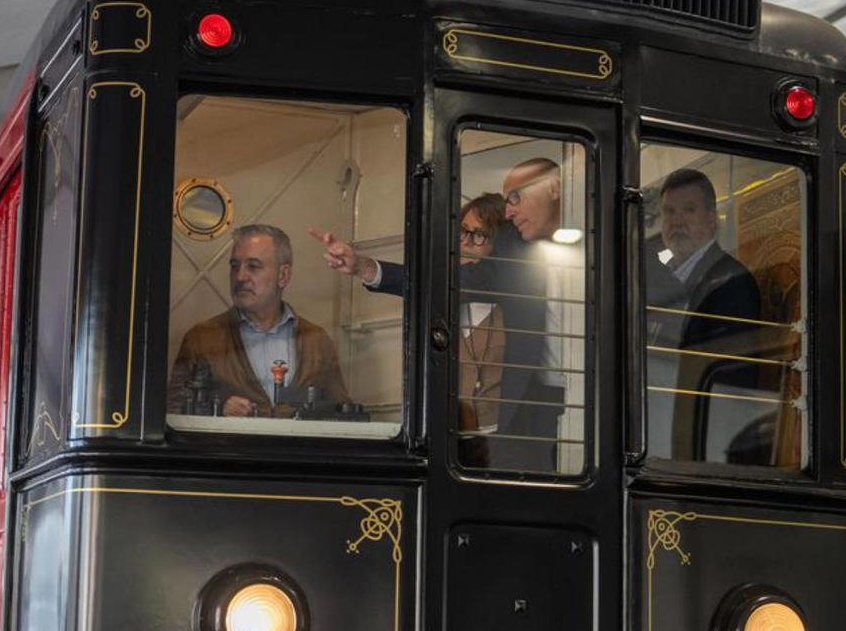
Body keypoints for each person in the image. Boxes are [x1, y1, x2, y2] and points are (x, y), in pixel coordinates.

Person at [312, 158, 569, 471]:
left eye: (516, 197)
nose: (509, 212)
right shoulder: (514, 250)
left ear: (554, 188)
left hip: (601, 400)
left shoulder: (607, 238)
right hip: (533, 411)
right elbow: (446, 282)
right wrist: (365, 268)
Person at [168, 224, 350, 417]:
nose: (240, 277)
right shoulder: (201, 339)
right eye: (234, 266)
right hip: (228, 439)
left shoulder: (317, 341)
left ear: (283, 276)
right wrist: (218, 411)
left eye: (253, 266)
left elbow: (341, 413)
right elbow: (173, 412)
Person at [653, 168, 760, 349]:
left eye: (689, 210)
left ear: (712, 218)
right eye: (669, 212)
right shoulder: (662, 281)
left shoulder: (731, 282)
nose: (676, 222)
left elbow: (727, 363)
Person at [453, 195, 508, 465]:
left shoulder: (509, 303)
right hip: (454, 440)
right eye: (463, 231)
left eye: (478, 235)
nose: (465, 242)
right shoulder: (445, 300)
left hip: (503, 440)